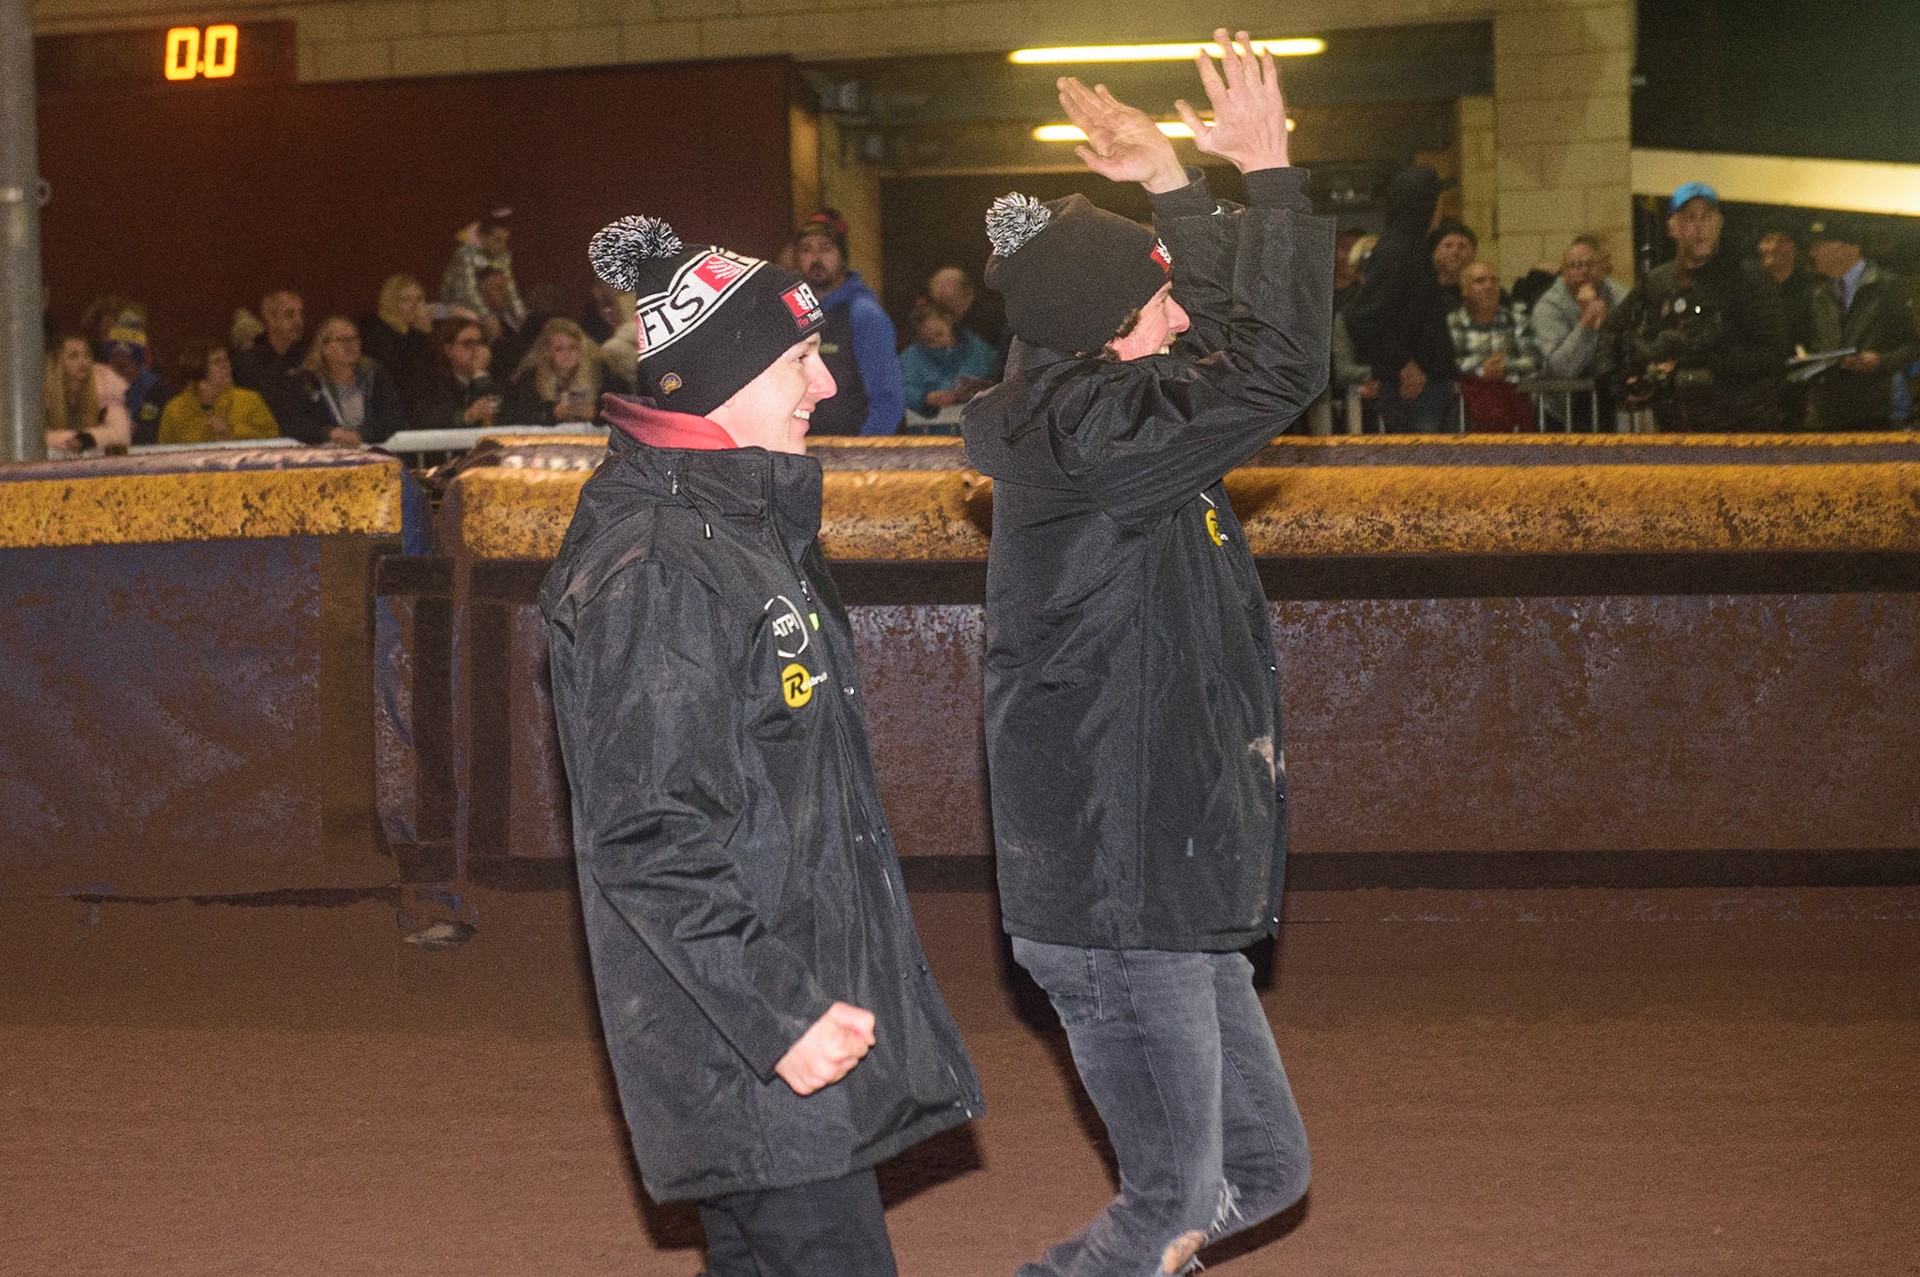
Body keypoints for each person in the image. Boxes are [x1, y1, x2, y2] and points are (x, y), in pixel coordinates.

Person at [540, 212, 982, 1276]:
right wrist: (779, 1014)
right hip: (749, 1044)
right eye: (799, 358)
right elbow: (649, 834)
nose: (824, 384)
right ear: (712, 386)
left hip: (769, 1027)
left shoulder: (744, 527)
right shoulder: (659, 569)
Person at [961, 31, 1323, 1277]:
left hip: (1156, 876)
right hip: (1119, 897)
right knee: (1171, 1199)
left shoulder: (1108, 409)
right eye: (1160, 297)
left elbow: (1231, 348)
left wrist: (1174, 179)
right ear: (1111, 335)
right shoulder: (1104, 434)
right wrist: (1266, 176)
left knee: (1263, 1172)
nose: (1184, 312)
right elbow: (1276, 363)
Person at [1597, 182, 1791, 432]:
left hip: (1742, 429)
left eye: (1707, 217)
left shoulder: (1750, 279)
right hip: (1677, 430)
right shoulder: (1657, 281)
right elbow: (1612, 329)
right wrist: (1613, 379)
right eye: (1689, 218)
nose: (1700, 227)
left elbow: (1773, 353)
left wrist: (1696, 360)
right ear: (1672, 227)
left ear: (1719, 223)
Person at [1344, 165, 1457, 432]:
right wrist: (1404, 364)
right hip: (1415, 390)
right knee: (1424, 469)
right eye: (1437, 200)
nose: (1441, 207)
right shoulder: (1398, 251)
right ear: (1424, 204)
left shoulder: (1410, 248)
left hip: (1422, 386)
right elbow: (1362, 317)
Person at [793, 209, 904, 435]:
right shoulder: (792, 313)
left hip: (852, 455)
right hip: (802, 452)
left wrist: (865, 455)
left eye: (826, 248)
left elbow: (887, 398)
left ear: (842, 256)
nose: (816, 259)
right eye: (806, 250)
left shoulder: (864, 314)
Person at [1804, 215, 1918, 432]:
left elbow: (1911, 347)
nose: (1812, 253)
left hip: (1869, 414)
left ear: (1844, 247)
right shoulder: (1818, 290)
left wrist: (1879, 361)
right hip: (1823, 413)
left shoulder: (1887, 286)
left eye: (1819, 245)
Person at [1449, 261, 1540, 431]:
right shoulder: (1451, 323)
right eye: (1480, 281)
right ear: (1464, 289)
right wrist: (1481, 369)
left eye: (1494, 280)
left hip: (1514, 420)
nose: (1489, 285)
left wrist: (1505, 368)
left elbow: (1535, 361)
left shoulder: (1517, 320)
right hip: (1464, 422)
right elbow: (1448, 362)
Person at [294, 316, 406, 446]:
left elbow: (393, 420)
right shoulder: (309, 383)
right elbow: (297, 424)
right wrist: (327, 433)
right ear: (324, 348)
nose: (350, 345)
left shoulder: (375, 377)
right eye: (342, 340)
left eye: (354, 338)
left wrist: (361, 435)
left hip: (375, 453)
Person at [897, 300, 997, 423]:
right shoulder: (910, 357)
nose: (936, 343)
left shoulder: (980, 350)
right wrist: (925, 398)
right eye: (928, 340)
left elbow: (999, 382)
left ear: (949, 321)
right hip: (931, 429)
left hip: (978, 423)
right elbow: (898, 389)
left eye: (939, 334)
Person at [158, 343, 279, 444]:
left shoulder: (250, 400)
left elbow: (273, 439)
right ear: (198, 369)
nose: (225, 366)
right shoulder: (174, 410)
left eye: (226, 359)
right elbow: (165, 454)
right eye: (216, 362)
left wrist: (232, 431)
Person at [500, 317, 609, 426]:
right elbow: (516, 416)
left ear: (581, 348)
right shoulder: (531, 378)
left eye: (573, 347)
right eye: (559, 349)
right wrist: (552, 414)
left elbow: (620, 412)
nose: (567, 354)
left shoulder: (599, 372)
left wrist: (596, 413)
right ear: (548, 352)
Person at [232, 288, 312, 431]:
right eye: (290, 315)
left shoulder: (310, 356)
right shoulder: (247, 361)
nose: (298, 321)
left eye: (301, 314)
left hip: (307, 439)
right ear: (269, 318)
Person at [43, 334, 134, 456]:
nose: (83, 361)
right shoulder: (42, 396)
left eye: (86, 355)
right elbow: (33, 438)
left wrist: (88, 439)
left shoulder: (105, 387)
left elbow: (122, 433)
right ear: (56, 362)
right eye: (73, 356)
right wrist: (69, 440)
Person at [409, 317, 499, 432]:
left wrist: (480, 375)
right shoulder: (431, 382)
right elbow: (429, 419)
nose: (476, 350)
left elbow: (499, 412)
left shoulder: (493, 376)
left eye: (480, 343)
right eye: (467, 344)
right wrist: (466, 416)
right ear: (448, 350)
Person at [358, 274, 436, 402]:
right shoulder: (379, 333)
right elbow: (403, 375)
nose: (414, 306)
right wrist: (420, 334)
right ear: (391, 303)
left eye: (419, 299)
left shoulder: (419, 333)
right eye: (406, 300)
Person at [439, 207, 525, 322]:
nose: (503, 247)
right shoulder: (465, 254)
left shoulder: (503, 256)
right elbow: (468, 291)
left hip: (487, 305)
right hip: (457, 305)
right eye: (497, 240)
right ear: (482, 238)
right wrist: (487, 316)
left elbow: (510, 287)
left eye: (506, 241)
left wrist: (523, 316)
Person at [100, 316, 172, 446]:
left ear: (138, 359)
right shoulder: (98, 387)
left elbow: (165, 432)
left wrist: (138, 430)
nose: (120, 361)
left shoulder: (160, 391)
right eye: (115, 354)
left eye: (127, 355)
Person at [1430, 216, 1477, 309]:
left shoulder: (1487, 290)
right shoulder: (1418, 293)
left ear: (1473, 254)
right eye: (1448, 246)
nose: (1455, 252)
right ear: (1434, 253)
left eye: (1462, 247)